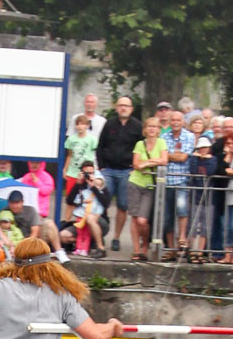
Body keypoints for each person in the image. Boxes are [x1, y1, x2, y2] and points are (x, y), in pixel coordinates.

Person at [96, 96, 142, 251]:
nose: (123, 108)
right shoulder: (109, 124)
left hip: (126, 170)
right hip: (108, 169)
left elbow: (140, 148)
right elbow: (100, 145)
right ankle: (99, 234)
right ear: (116, 107)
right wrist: (101, 166)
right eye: (121, 105)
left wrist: (134, 167)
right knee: (102, 202)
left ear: (131, 109)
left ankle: (116, 237)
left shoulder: (137, 126)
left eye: (126, 106)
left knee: (123, 205)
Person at [127, 116, 168, 260]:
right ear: (145, 129)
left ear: (158, 130)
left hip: (149, 185)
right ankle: (137, 250)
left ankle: (145, 243)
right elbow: (136, 164)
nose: (152, 129)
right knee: (134, 218)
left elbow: (164, 160)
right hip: (135, 182)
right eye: (149, 126)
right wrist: (150, 163)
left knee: (142, 220)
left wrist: (147, 162)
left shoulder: (161, 143)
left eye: (155, 126)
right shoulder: (139, 144)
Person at [162, 110, 195, 259]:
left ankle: (182, 239)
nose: (175, 122)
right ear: (169, 122)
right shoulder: (163, 137)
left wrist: (169, 156)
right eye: (173, 120)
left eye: (178, 120)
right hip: (166, 180)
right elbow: (163, 157)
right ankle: (171, 248)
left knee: (182, 210)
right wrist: (170, 156)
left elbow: (183, 157)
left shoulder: (189, 136)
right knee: (168, 216)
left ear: (183, 122)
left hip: (182, 179)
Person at [6, 188, 70, 264]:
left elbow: (35, 231)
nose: (14, 206)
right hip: (12, 243)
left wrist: (25, 247)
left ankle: (59, 251)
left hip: (32, 241)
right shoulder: (4, 212)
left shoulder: (30, 210)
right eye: (12, 203)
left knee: (49, 224)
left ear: (22, 202)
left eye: (17, 203)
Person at [62, 162, 111, 256]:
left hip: (99, 221)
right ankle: (88, 243)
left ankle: (101, 248)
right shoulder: (81, 185)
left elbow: (106, 204)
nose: (89, 176)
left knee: (90, 218)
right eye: (87, 173)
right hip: (82, 221)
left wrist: (93, 187)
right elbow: (69, 201)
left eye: (92, 173)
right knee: (63, 236)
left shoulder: (100, 185)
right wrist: (77, 184)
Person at [213, 129, 233, 265]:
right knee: (225, 226)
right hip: (224, 196)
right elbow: (218, 171)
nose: (231, 146)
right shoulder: (221, 156)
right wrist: (226, 158)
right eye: (229, 143)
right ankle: (227, 254)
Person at [186, 137, 217, 262]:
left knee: (205, 225)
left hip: (208, 197)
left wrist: (207, 159)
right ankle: (192, 251)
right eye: (201, 148)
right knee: (192, 224)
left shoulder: (213, 159)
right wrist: (195, 157)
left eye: (205, 147)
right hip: (195, 195)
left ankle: (200, 251)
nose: (203, 150)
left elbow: (210, 171)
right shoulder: (194, 159)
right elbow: (193, 170)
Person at [63, 115, 98, 196]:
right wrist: (65, 169)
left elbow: (94, 155)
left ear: (87, 125)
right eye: (77, 124)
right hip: (73, 172)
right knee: (70, 196)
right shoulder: (71, 139)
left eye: (82, 124)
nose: (79, 126)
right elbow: (69, 155)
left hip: (86, 171)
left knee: (85, 196)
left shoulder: (92, 139)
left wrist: (95, 168)